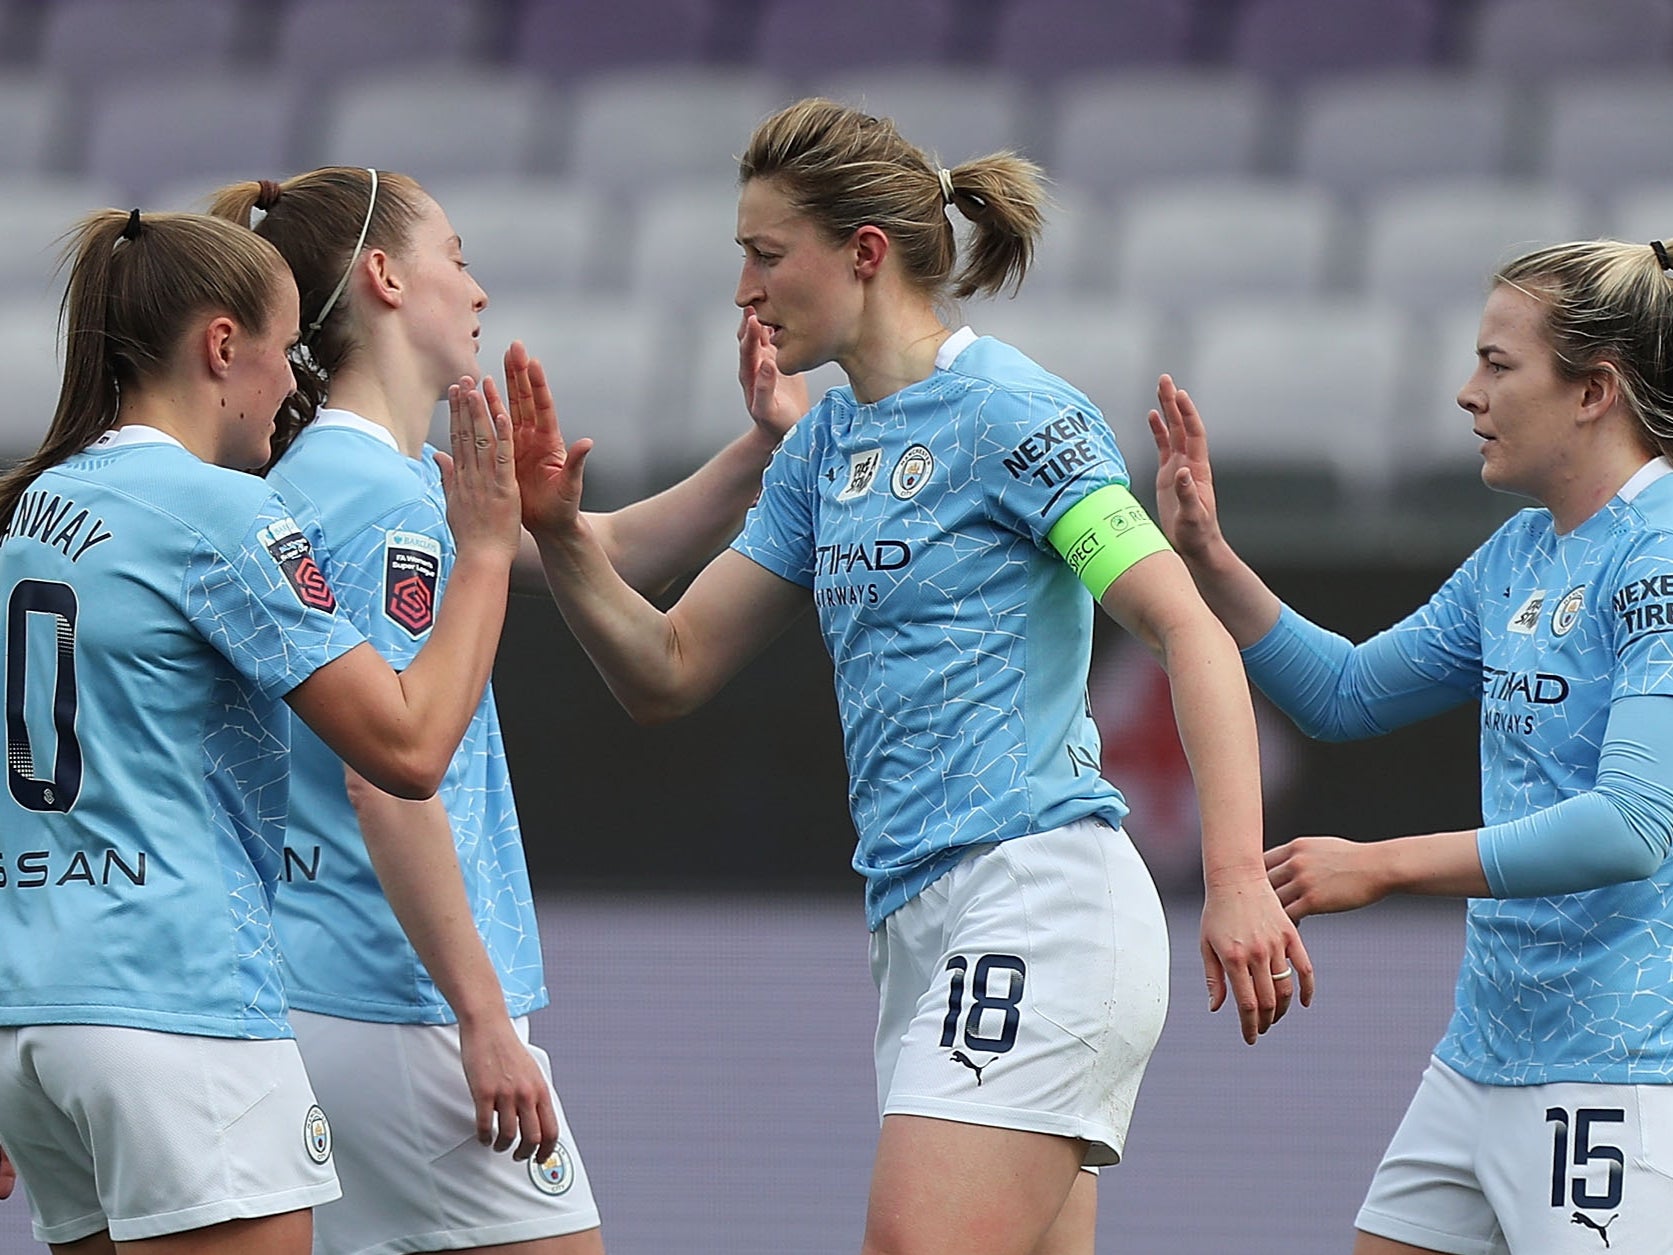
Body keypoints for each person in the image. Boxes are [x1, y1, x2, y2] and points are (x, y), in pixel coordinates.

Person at [511, 97, 1310, 1255]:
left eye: (764, 254)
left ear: (864, 255)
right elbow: (668, 667)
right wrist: (564, 538)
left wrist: (1233, 874)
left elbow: (1182, 625)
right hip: (916, 923)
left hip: (1035, 898)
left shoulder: (1010, 416)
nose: (741, 287)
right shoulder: (823, 447)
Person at [208, 166, 797, 1255]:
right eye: (458, 259)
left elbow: (598, 549)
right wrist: (480, 1016)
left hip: (306, 992)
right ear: (384, 277)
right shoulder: (381, 500)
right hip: (401, 1000)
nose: (477, 293)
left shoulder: (349, 474)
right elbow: (386, 770)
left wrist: (759, 446)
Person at [0, 208, 520, 1253]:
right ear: (220, 346)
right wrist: (486, 554)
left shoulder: (30, 512)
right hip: (178, 1005)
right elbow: (409, 749)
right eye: (285, 352)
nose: (296, 385)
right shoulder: (220, 515)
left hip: (34, 1020)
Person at [1149, 238, 1673, 1254]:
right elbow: (1343, 694)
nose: (1466, 393)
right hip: (1478, 1057)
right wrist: (1208, 554)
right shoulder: (1520, 551)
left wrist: (1380, 864)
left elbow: (1632, 826)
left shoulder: (1658, 555)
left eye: (1496, 364)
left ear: (1591, 391)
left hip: (1613, 1068)